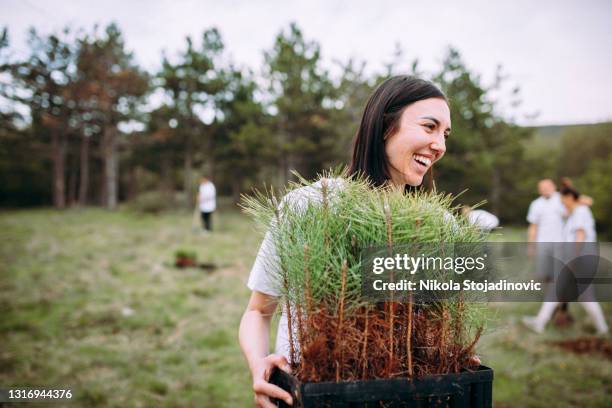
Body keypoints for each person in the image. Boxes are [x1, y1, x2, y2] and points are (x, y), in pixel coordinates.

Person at [239, 76, 454, 407]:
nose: (440, 144)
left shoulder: (441, 227)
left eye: (445, 134)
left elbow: (441, 330)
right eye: (429, 127)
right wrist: (258, 367)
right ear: (385, 126)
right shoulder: (309, 206)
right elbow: (258, 311)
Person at [522, 186, 609, 335]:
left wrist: (573, 260)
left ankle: (602, 328)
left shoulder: (581, 212)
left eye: (563, 200)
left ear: (570, 197)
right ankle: (540, 322)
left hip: (580, 260)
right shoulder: (575, 212)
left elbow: (580, 236)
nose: (562, 204)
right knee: (563, 291)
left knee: (584, 296)